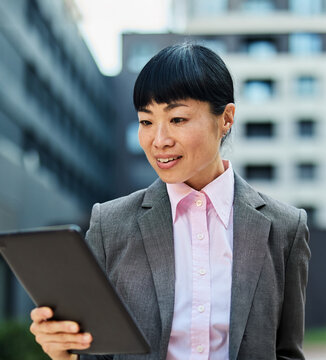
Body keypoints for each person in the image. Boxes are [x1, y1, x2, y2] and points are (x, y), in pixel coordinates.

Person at [30, 43, 311, 360]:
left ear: (227, 119)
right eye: (146, 122)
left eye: (177, 119)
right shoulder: (110, 226)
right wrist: (64, 352)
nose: (159, 140)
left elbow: (287, 352)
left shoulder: (286, 228)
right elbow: (94, 354)